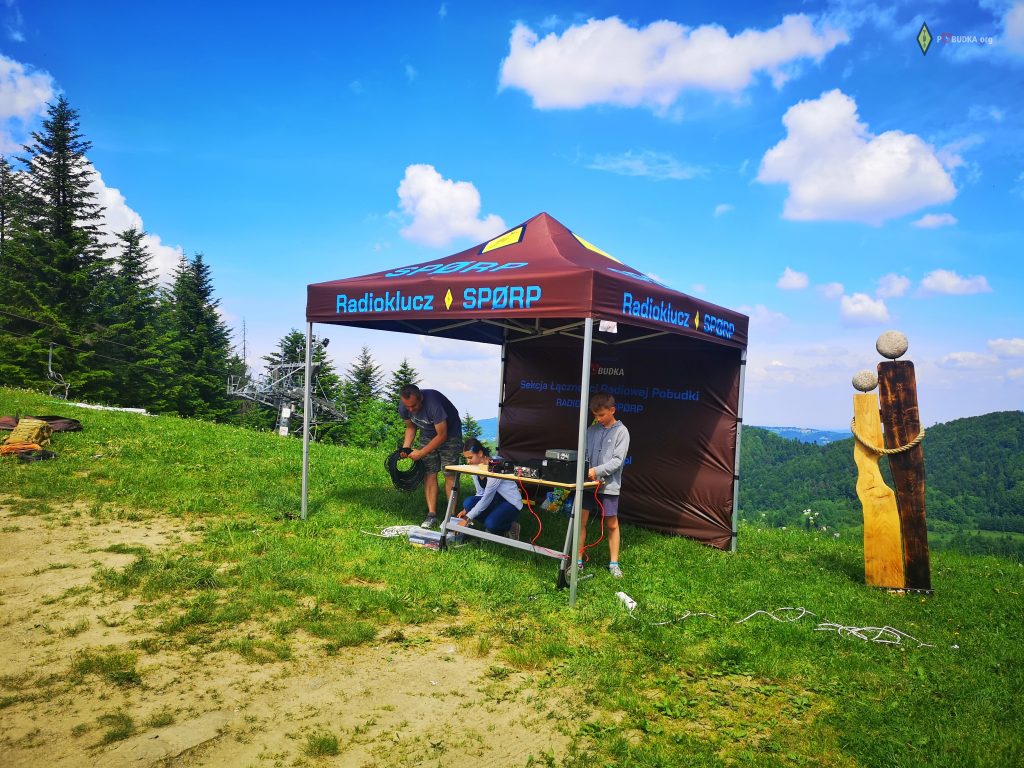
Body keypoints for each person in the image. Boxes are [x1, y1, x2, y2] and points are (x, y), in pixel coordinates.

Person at [579, 392, 630, 578]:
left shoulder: (622, 432)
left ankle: (614, 564)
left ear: (612, 410)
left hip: (609, 486)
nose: (598, 419)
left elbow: (618, 461)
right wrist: (587, 471)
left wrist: (597, 471)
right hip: (588, 485)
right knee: (581, 521)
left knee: (612, 524)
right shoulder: (591, 430)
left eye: (601, 415)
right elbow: (584, 454)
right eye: (595, 415)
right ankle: (578, 560)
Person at [399, 384, 463, 528]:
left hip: (450, 435)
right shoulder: (404, 406)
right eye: (407, 406)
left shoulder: (433, 404)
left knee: (449, 473)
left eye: (413, 406)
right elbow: (410, 427)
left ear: (421, 398)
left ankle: (451, 516)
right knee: (429, 472)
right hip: (427, 434)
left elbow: (442, 435)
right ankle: (431, 514)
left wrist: (421, 452)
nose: (410, 409)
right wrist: (406, 447)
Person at [454, 439, 523, 539]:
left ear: (480, 453)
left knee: (491, 524)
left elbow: (487, 498)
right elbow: (480, 493)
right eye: (466, 458)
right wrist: (466, 510)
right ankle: (495, 523)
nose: (468, 462)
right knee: (468, 503)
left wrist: (467, 518)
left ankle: (510, 526)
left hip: (510, 502)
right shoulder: (475, 467)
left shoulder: (496, 465)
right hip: (493, 500)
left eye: (470, 457)